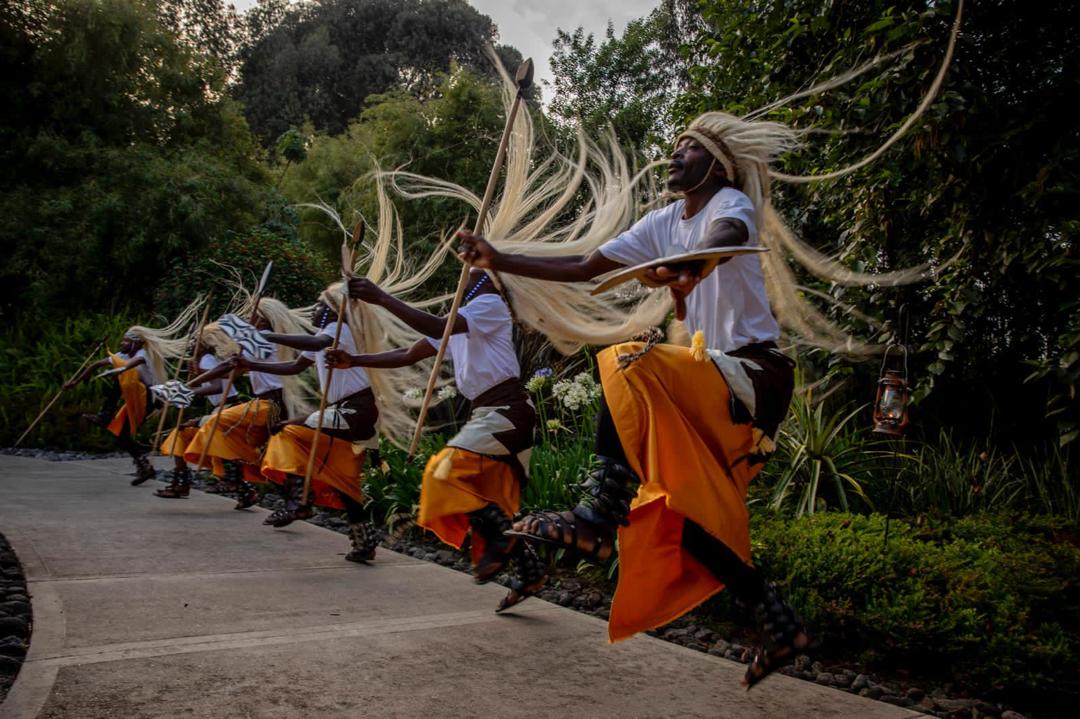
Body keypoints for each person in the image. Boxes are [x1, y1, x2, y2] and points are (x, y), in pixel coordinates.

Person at [456, 112, 808, 685]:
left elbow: (729, 238)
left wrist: (692, 266)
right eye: (672, 148)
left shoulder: (728, 205)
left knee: (631, 360)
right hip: (714, 385)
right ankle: (777, 622)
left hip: (751, 377)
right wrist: (498, 260)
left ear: (716, 165)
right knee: (675, 511)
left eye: (686, 148)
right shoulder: (665, 221)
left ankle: (595, 518)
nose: (673, 157)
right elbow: (583, 265)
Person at [326, 268, 544, 611]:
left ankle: (507, 546)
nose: (467, 273)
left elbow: (436, 327)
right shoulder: (461, 321)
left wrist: (380, 297)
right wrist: (354, 360)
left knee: (443, 473)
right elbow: (408, 354)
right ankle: (529, 569)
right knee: (473, 492)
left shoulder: (489, 305)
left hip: (508, 410)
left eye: (476, 271)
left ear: (492, 282)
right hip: (489, 412)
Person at [225, 289, 381, 564]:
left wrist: (267, 335)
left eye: (319, 305)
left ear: (335, 308)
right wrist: (250, 364)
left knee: (288, 431)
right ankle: (363, 541)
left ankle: (300, 499)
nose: (313, 311)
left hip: (355, 410)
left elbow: (315, 341)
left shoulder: (337, 329)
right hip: (342, 411)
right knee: (341, 477)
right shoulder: (326, 337)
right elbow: (295, 366)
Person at [177, 298, 314, 507]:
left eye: (254, 315)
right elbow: (232, 367)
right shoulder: (261, 340)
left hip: (272, 404)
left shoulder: (263, 339)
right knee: (261, 456)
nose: (250, 319)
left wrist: (189, 385)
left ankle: (232, 478)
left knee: (219, 423)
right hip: (268, 402)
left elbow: (228, 367)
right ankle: (293, 503)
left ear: (262, 318)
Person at [64, 309, 196, 485]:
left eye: (126, 341)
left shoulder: (143, 355)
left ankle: (106, 415)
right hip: (136, 395)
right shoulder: (123, 356)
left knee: (122, 376)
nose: (121, 343)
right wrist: (76, 382)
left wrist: (122, 368)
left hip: (149, 397)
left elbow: (134, 363)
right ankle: (144, 465)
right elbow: (96, 364)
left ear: (136, 344)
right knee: (120, 433)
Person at [155, 324, 240, 499]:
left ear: (204, 343)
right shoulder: (202, 361)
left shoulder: (207, 360)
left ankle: (186, 482)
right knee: (181, 433)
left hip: (228, 408)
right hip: (222, 407)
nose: (191, 343)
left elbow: (217, 387)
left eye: (195, 340)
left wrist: (187, 390)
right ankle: (241, 489)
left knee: (185, 433)